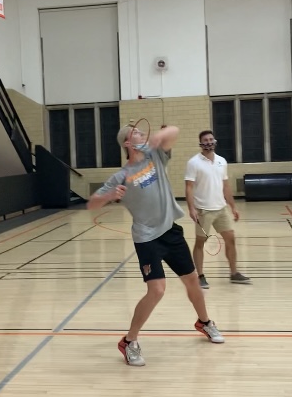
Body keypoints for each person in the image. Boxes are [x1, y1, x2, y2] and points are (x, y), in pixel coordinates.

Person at [87, 123, 224, 367]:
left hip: (170, 230)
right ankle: (129, 341)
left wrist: (158, 136)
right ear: (127, 143)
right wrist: (109, 196)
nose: (142, 134)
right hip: (146, 237)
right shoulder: (121, 176)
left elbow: (174, 131)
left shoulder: (156, 156)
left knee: (192, 280)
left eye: (142, 132)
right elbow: (91, 204)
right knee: (157, 290)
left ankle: (204, 322)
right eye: (136, 133)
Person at [184, 130, 250, 288]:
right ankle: (200, 276)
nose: (209, 142)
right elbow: (189, 187)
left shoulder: (222, 161)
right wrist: (191, 209)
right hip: (203, 210)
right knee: (200, 243)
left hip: (221, 209)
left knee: (231, 239)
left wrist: (233, 207)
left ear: (214, 141)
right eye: (205, 140)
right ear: (201, 143)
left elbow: (225, 186)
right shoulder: (193, 163)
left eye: (211, 139)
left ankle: (234, 273)